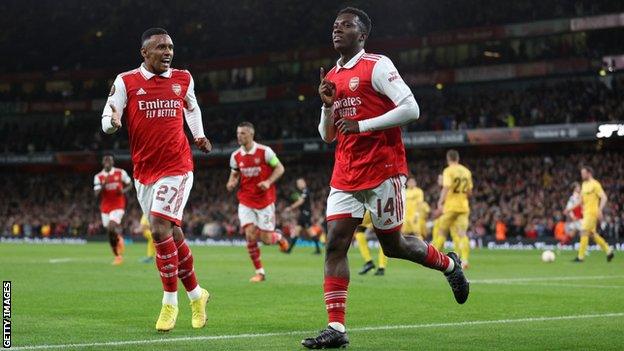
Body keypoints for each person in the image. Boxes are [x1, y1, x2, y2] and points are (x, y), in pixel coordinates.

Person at [302, 8, 469, 349]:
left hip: (383, 170)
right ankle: (336, 327)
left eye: (346, 26)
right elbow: (327, 137)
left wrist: (363, 125)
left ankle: (450, 265)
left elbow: (411, 108)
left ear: (362, 35)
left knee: (393, 246)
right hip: (345, 173)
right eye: (334, 25)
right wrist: (325, 106)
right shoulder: (332, 74)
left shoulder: (377, 65)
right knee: (335, 243)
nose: (337, 30)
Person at [101, 28, 211, 331]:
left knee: (159, 226)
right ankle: (197, 294)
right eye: (161, 47)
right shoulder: (126, 81)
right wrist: (112, 123)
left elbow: (192, 107)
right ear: (144, 53)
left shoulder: (183, 78)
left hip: (178, 166)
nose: (168, 52)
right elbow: (107, 117)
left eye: (171, 47)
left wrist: (198, 135)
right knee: (172, 235)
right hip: (144, 172)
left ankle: (169, 304)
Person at [226, 121, 289, 282]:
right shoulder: (235, 156)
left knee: (266, 240)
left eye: (243, 133)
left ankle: (279, 237)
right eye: (238, 133)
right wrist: (231, 182)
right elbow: (234, 173)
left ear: (251, 134)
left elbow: (280, 168)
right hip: (246, 200)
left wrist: (268, 182)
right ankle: (260, 272)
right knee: (250, 235)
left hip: (265, 202)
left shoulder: (265, 152)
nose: (239, 136)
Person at [434, 150, 473, 269]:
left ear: (448, 159)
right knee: (462, 233)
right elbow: (469, 192)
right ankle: (465, 260)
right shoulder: (466, 171)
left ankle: (434, 258)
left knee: (441, 231)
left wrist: (440, 201)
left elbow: (446, 187)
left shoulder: (448, 170)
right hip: (463, 206)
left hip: (451, 206)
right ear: (458, 158)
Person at [93, 154, 132, 265]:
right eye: (105, 160)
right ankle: (117, 249)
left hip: (118, 205)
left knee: (111, 227)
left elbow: (130, 184)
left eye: (109, 160)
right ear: (102, 163)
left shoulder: (120, 172)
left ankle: (118, 256)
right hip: (105, 208)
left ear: (112, 162)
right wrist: (103, 186)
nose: (107, 162)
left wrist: (123, 191)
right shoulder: (98, 176)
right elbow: (96, 194)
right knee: (110, 232)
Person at [573, 166, 614, 262]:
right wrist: (569, 209)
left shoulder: (595, 184)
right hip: (586, 213)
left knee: (583, 231)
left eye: (583, 173)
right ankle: (609, 251)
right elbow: (580, 201)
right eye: (581, 173)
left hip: (592, 213)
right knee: (592, 235)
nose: (582, 175)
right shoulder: (584, 185)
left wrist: (600, 210)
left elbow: (604, 197)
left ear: (589, 173)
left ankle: (580, 257)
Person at [285, 178, 322, 254]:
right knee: (297, 231)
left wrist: (291, 207)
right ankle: (289, 250)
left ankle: (318, 250)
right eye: (297, 183)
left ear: (303, 183)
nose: (298, 185)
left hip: (306, 214)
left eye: (299, 183)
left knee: (310, 231)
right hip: (303, 214)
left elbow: (301, 201)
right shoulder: (303, 192)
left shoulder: (305, 191)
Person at [354, 211, 387, 275]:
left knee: (359, 229)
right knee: (385, 237)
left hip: (372, 209)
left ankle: (368, 261)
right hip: (386, 211)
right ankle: (382, 267)